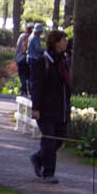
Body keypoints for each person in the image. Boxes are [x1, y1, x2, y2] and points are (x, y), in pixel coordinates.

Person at [19, 25, 72, 181]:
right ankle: (49, 173)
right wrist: (35, 108)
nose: (66, 43)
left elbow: (66, 86)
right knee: (49, 140)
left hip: (61, 109)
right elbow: (36, 85)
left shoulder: (64, 61)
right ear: (56, 43)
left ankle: (38, 158)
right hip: (46, 109)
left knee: (60, 138)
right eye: (63, 40)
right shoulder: (44, 61)